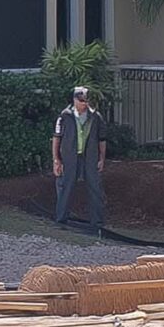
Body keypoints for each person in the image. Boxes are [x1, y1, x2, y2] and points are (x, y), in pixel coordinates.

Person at [52, 84, 108, 234]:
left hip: (89, 157)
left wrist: (102, 158)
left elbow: (102, 139)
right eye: (81, 100)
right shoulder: (64, 116)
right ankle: (61, 219)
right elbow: (57, 138)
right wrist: (56, 159)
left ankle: (97, 221)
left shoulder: (95, 116)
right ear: (74, 100)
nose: (84, 103)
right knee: (66, 186)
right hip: (69, 157)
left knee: (94, 187)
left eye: (85, 101)